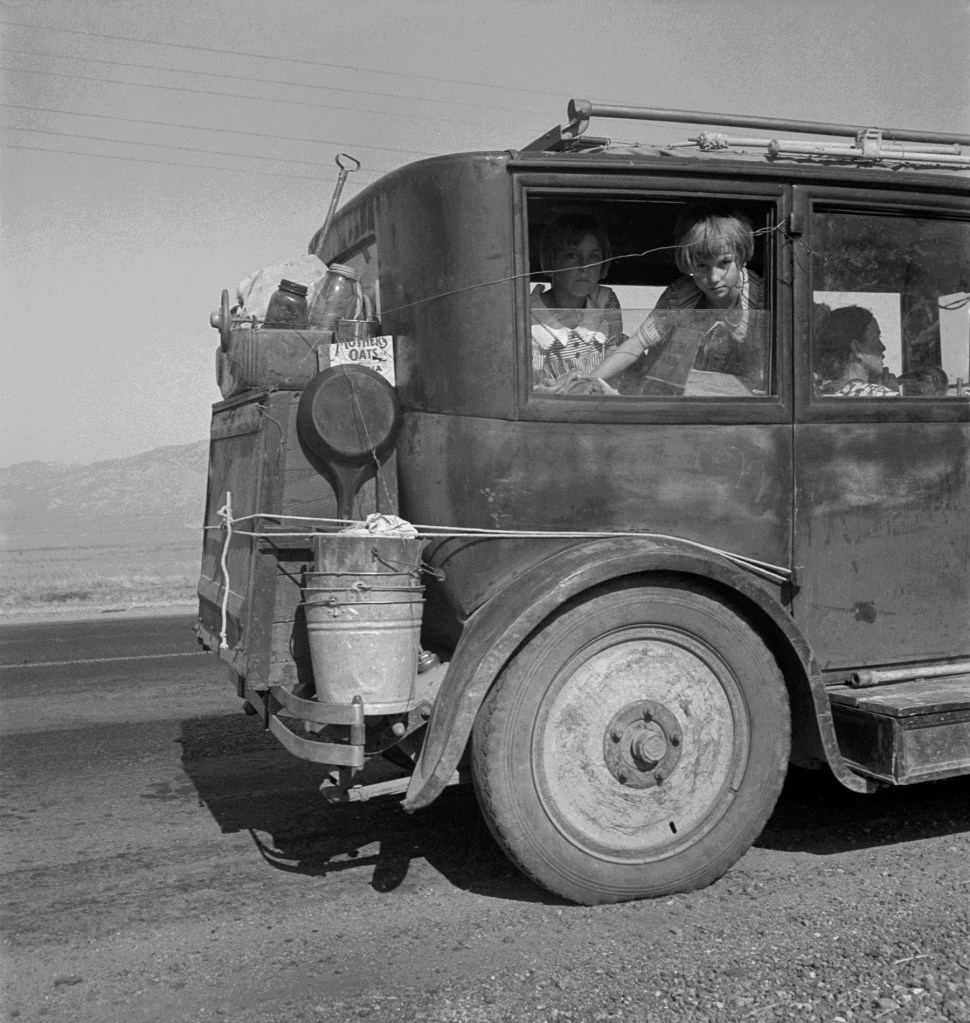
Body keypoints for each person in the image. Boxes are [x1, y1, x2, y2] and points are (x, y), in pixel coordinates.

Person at [584, 205, 765, 393]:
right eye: (701, 266)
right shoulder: (680, 295)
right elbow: (638, 343)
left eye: (724, 263)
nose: (713, 277)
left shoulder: (762, 296)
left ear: (742, 257)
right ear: (689, 265)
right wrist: (587, 381)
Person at [531, 212, 623, 387]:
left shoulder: (605, 304)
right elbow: (527, 390)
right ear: (551, 262)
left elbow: (615, 368)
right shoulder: (529, 320)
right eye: (573, 255)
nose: (585, 266)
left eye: (594, 257)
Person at [816, 305, 899, 397]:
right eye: (876, 338)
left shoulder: (819, 394)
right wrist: (892, 394)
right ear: (856, 348)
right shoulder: (880, 395)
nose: (883, 347)